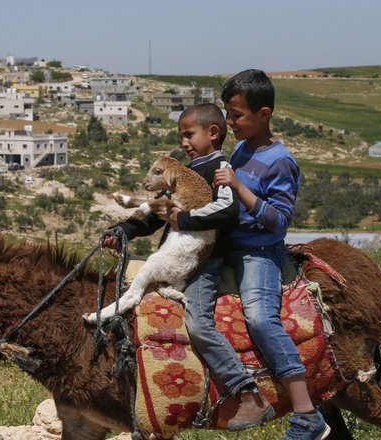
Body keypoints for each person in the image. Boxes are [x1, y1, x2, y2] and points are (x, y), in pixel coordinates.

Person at [103, 103, 272, 431]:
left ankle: (246, 391)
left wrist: (185, 218)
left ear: (212, 133)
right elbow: (156, 213)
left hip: (204, 262)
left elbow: (227, 211)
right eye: (181, 135)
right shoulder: (184, 172)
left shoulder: (219, 168)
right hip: (177, 253)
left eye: (188, 134)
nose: (184, 142)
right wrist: (124, 230)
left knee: (198, 324)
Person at [214, 69, 331, 440]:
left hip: (259, 252)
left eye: (236, 115)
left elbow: (277, 222)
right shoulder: (242, 147)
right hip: (231, 246)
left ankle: (306, 413)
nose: (229, 122)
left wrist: (238, 188)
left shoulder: (280, 161)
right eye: (227, 114)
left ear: (264, 114)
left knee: (261, 319)